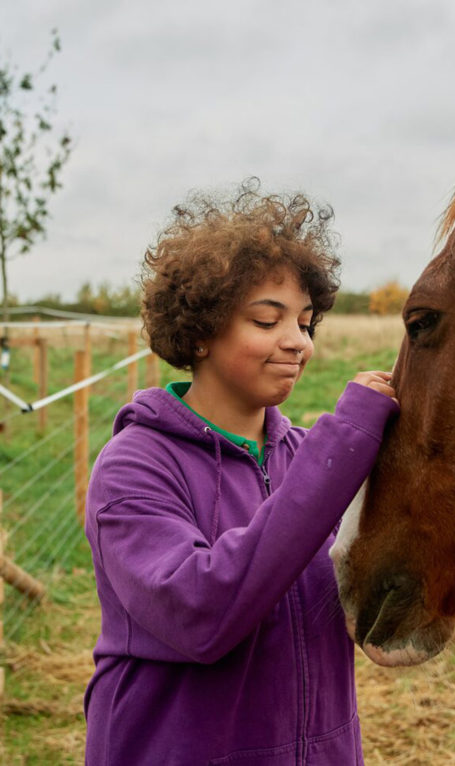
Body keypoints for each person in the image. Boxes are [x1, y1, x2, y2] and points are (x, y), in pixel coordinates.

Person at [83, 182, 399, 765]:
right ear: (200, 331)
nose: (296, 342)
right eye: (265, 319)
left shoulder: (303, 460)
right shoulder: (133, 466)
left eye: (305, 322)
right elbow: (202, 613)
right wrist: (341, 451)